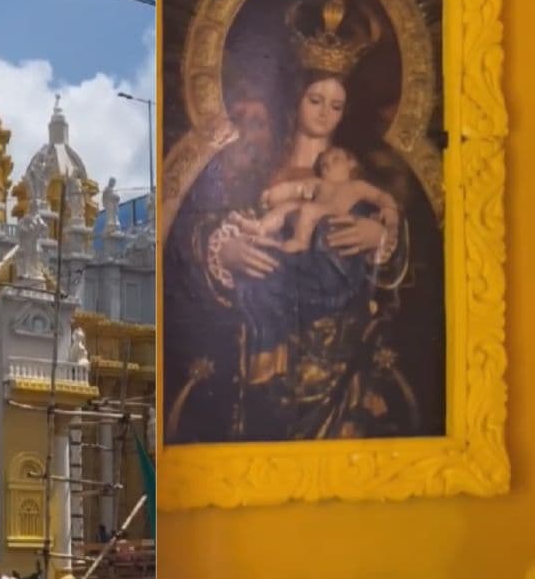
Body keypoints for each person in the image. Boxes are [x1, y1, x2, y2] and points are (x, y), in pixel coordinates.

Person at [164, 65, 443, 442]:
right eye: (315, 100)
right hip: (262, 335)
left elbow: (403, 239)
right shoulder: (256, 169)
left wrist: (379, 233)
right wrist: (225, 250)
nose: (325, 112)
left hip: (339, 341)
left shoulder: (359, 174)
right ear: (295, 102)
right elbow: (197, 228)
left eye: (336, 105)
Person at [235, 145, 399, 254]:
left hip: (334, 216)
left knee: (308, 209)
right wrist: (271, 195)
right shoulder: (317, 183)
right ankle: (261, 227)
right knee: (288, 207)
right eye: (323, 164)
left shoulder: (357, 186)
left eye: (336, 159)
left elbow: (380, 196)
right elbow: (293, 188)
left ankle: (301, 242)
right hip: (313, 213)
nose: (328, 165)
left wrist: (389, 209)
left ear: (351, 163)